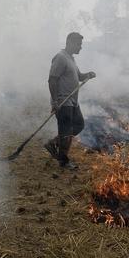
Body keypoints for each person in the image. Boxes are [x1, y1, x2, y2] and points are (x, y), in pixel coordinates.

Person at [44, 32, 96, 169]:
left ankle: (54, 143)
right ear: (70, 43)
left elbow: (79, 76)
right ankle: (63, 161)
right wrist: (55, 101)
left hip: (72, 101)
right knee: (66, 130)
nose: (80, 47)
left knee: (79, 125)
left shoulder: (71, 59)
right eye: (79, 44)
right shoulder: (60, 57)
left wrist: (88, 75)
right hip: (63, 101)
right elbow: (52, 79)